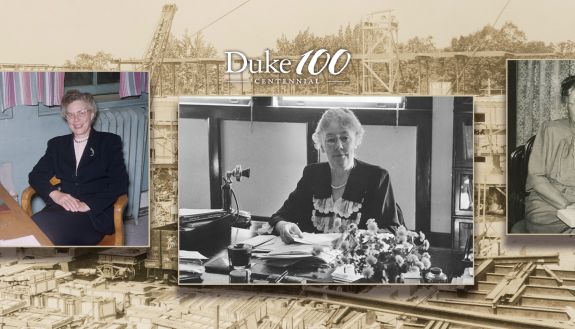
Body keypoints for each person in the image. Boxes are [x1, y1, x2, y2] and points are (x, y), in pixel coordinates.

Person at [270, 108, 402, 243]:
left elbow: (392, 229)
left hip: (355, 260)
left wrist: (360, 237)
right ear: (321, 145)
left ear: (356, 141)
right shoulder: (312, 175)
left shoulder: (377, 177)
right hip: (312, 259)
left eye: (345, 138)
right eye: (331, 140)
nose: (339, 146)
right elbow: (279, 217)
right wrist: (284, 226)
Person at [29, 90, 129, 245]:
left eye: (81, 113)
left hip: (93, 215)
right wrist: (56, 195)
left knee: (46, 232)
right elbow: (35, 175)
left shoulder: (109, 142)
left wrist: (87, 205)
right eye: (70, 115)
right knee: (34, 225)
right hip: (62, 208)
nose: (76, 120)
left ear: (92, 114)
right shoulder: (57, 145)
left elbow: (119, 184)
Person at [525, 75, 575, 233]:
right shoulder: (550, 129)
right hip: (548, 202)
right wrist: (568, 207)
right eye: (574, 104)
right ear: (566, 104)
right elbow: (536, 178)